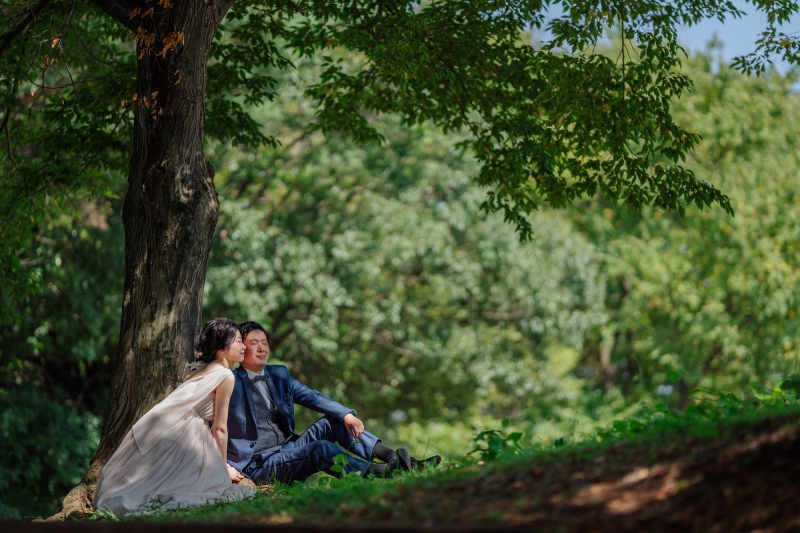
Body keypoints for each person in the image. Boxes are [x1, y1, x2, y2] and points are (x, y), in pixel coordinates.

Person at [226, 320, 441, 485]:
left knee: (334, 421)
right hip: (260, 466)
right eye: (254, 343)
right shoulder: (229, 382)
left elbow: (312, 396)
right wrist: (223, 467)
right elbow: (208, 427)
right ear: (241, 349)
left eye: (264, 343)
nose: (262, 348)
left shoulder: (279, 374)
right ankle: (379, 474)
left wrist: (346, 414)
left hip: (289, 449)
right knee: (319, 449)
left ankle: (398, 460)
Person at [94, 318, 256, 515]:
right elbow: (220, 428)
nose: (244, 346)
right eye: (239, 341)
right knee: (208, 489)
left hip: (164, 427)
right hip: (185, 435)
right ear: (222, 349)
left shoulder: (198, 370)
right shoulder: (225, 376)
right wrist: (223, 468)